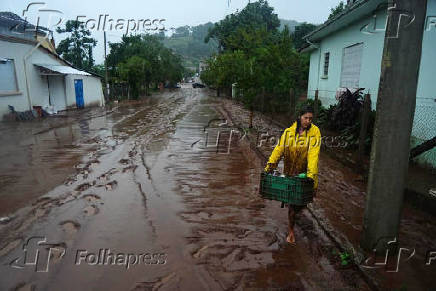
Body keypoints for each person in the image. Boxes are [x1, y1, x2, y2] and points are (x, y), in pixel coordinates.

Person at [264, 106, 321, 244]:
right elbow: (279, 150)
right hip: (291, 173)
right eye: (305, 118)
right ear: (299, 117)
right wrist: (270, 167)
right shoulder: (289, 132)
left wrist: (311, 176)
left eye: (310, 118)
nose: (308, 121)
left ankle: (296, 214)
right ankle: (291, 230)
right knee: (293, 205)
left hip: (306, 175)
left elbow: (314, 155)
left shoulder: (315, 133)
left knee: (301, 203)